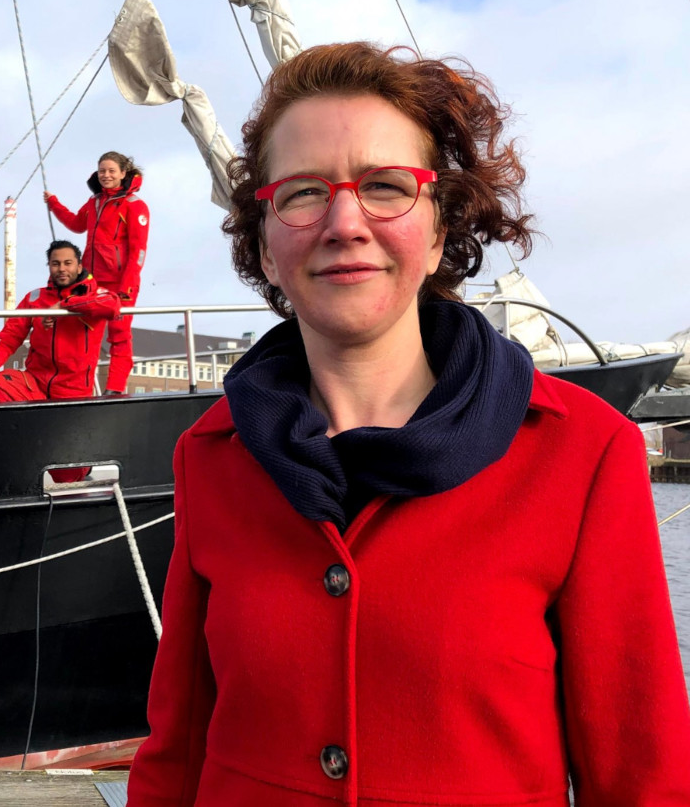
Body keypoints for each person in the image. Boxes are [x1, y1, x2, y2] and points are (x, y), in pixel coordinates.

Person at [127, 42, 690, 805]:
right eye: (301, 193)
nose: (344, 221)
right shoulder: (211, 455)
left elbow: (642, 777)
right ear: (264, 238)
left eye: (386, 186)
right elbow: (177, 756)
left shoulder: (583, 454)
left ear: (438, 229)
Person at [44, 150, 148, 395]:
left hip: (121, 283)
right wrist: (54, 204)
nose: (106, 175)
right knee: (84, 332)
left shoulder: (135, 206)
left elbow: (138, 252)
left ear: (123, 173)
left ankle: (115, 389)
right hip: (92, 281)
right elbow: (76, 224)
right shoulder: (95, 203)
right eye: (102, 171)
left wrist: (126, 288)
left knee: (119, 335)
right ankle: (79, 388)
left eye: (112, 171)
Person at [0, 240, 121, 403]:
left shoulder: (96, 295)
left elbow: (113, 305)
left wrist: (63, 305)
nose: (62, 269)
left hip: (74, 393)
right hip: (33, 384)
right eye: (56, 264)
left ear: (79, 267)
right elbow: (9, 336)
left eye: (68, 263)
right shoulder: (35, 298)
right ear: (49, 267)